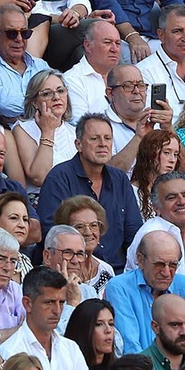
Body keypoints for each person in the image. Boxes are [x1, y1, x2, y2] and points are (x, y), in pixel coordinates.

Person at [107, 229, 185, 366]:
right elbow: (131, 350)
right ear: (140, 260)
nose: (166, 273)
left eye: (173, 265)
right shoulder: (120, 288)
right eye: (159, 264)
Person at [39, 114, 143, 271]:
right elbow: (52, 233)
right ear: (78, 144)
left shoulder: (120, 179)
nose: (103, 144)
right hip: (73, 270)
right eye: (94, 139)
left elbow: (134, 234)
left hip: (118, 273)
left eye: (107, 138)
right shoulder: (59, 178)